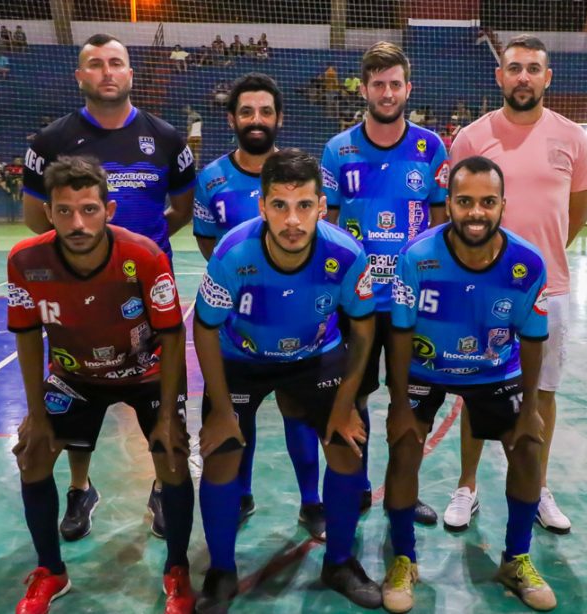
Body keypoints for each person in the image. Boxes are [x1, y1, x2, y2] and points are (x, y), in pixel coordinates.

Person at [22, 33, 195, 542]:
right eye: (94, 64)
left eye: (115, 62)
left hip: (146, 295)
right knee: (81, 383)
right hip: (76, 294)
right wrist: (84, 261)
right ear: (80, 76)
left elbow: (181, 211)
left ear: (130, 73)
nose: (106, 72)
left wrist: (136, 258)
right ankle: (81, 488)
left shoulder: (167, 139)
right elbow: (37, 218)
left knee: (161, 391)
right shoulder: (49, 142)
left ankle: (163, 486)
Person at [193, 148, 380, 611]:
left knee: (346, 446)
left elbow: (363, 326)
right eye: (279, 205)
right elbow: (204, 325)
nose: (292, 220)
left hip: (315, 356)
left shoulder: (346, 254)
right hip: (242, 359)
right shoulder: (233, 252)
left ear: (322, 205)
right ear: (262, 207)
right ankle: (220, 571)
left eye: (303, 206)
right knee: (220, 455)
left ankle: (338, 561)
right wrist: (219, 410)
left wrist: (345, 403)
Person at [8, 155, 194, 614]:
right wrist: (35, 416)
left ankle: (177, 569)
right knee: (32, 456)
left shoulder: (144, 256)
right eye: (64, 210)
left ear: (108, 210)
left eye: (88, 209)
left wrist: (168, 418)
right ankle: (50, 570)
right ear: (47, 213)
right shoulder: (25, 261)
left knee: (172, 455)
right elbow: (29, 338)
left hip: (143, 370)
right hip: (73, 376)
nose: (77, 221)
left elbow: (172, 336)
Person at [385, 155, 556, 612]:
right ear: (449, 202)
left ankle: (516, 558)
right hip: (427, 368)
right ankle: (404, 558)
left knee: (527, 447)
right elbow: (398, 334)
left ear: (503, 205)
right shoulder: (416, 258)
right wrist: (399, 403)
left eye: (486, 202)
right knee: (404, 446)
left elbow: (534, 338)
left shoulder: (526, 263)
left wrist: (530, 410)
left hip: (494, 370)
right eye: (464, 201)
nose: (475, 212)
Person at [448, 34, 587, 535]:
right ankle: (466, 486)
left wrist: (539, 260)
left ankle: (535, 486)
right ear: (500, 76)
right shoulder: (470, 137)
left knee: (543, 392)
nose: (524, 77)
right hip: (479, 288)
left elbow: (577, 209)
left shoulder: (573, 137)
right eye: (515, 68)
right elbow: (456, 210)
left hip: (546, 289)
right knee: (474, 387)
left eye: (534, 68)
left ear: (547, 77)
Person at [192, 74, 326, 540]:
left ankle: (312, 502)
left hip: (302, 323)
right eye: (246, 112)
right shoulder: (211, 179)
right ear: (232, 118)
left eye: (265, 111)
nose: (256, 120)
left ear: (279, 118)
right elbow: (209, 243)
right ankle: (242, 495)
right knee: (237, 418)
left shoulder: (301, 176)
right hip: (238, 330)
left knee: (299, 413)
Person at [321, 41, 449, 525]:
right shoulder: (339, 149)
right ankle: (355, 486)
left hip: (409, 302)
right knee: (352, 396)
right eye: (379, 84)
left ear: (407, 88)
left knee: (408, 399)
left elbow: (440, 228)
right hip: (355, 301)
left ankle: (403, 490)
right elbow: (327, 228)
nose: (388, 92)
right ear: (365, 89)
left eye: (395, 83)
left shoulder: (431, 147)